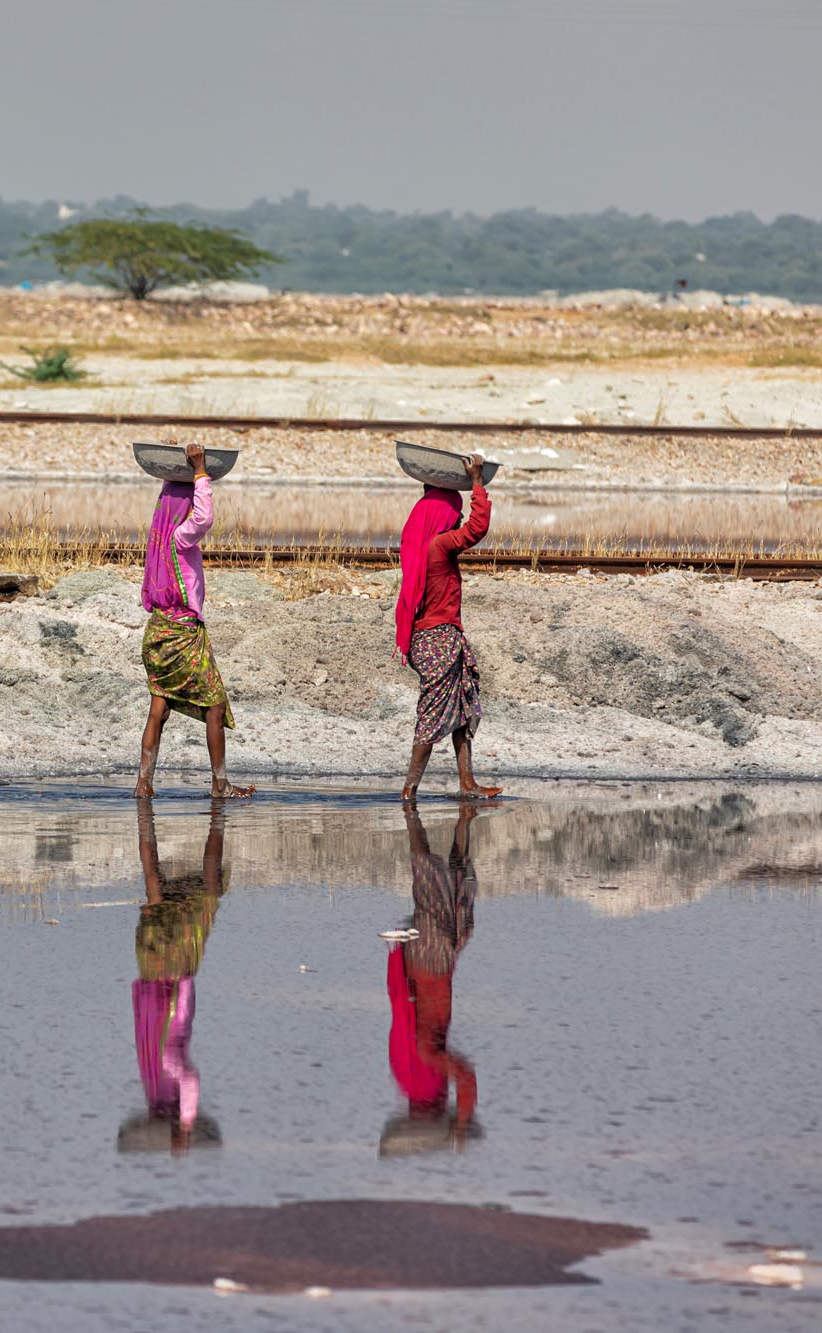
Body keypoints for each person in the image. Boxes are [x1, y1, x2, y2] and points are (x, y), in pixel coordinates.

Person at [134, 442, 253, 800]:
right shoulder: (180, 537)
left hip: (157, 632)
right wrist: (201, 472)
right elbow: (203, 518)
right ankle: (220, 785)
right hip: (184, 635)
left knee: (159, 708)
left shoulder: (158, 539)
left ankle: (144, 783)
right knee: (214, 707)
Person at [118, 800, 226, 1155]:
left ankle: (158, 826)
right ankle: (165, 829)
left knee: (200, 896)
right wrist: (185, 1122)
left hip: (170, 974)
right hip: (159, 974)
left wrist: (185, 1123)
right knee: (164, 900)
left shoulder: (161, 1067)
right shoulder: (154, 1071)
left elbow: (188, 1078)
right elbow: (187, 1079)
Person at [395, 453, 502, 803]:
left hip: (430, 638)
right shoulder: (440, 545)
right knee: (432, 715)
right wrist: (476, 484)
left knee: (463, 707)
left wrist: (434, 484)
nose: (457, 520)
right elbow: (477, 528)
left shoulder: (416, 541)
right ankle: (409, 791)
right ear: (443, 517)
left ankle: (467, 783)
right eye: (453, 515)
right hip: (439, 639)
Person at [380, 805, 481, 1156]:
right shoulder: (406, 1076)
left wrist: (464, 1124)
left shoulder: (423, 1068)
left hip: (432, 961)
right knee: (450, 887)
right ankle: (455, 819)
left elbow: (465, 1077)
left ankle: (414, 816)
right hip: (430, 962)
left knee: (439, 884)